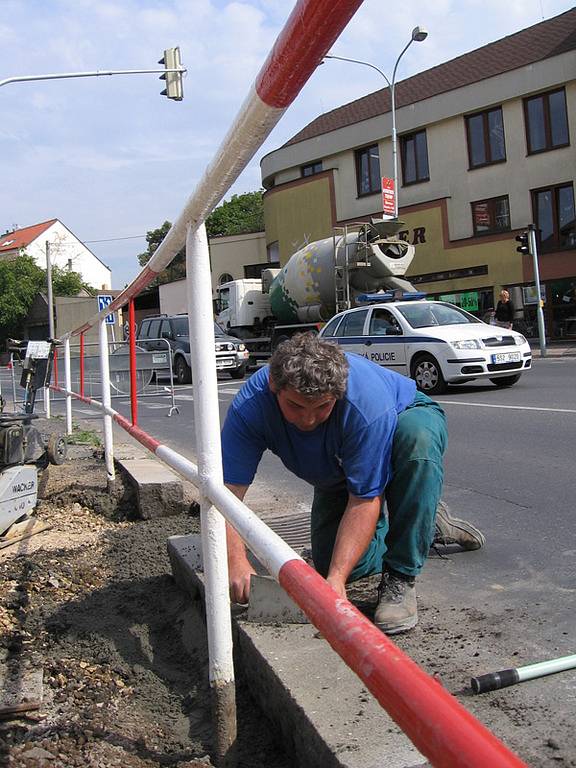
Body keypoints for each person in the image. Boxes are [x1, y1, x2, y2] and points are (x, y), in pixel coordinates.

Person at [221, 333, 484, 635]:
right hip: (337, 468)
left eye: (322, 407)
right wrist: (235, 560)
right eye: (295, 406)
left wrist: (335, 580)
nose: (308, 420)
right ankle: (423, 521)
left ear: (338, 393)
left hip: (405, 415)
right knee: (344, 564)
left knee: (417, 443)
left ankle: (401, 575)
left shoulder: (365, 405)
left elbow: (363, 499)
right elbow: (226, 494)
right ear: (273, 387)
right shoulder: (250, 408)